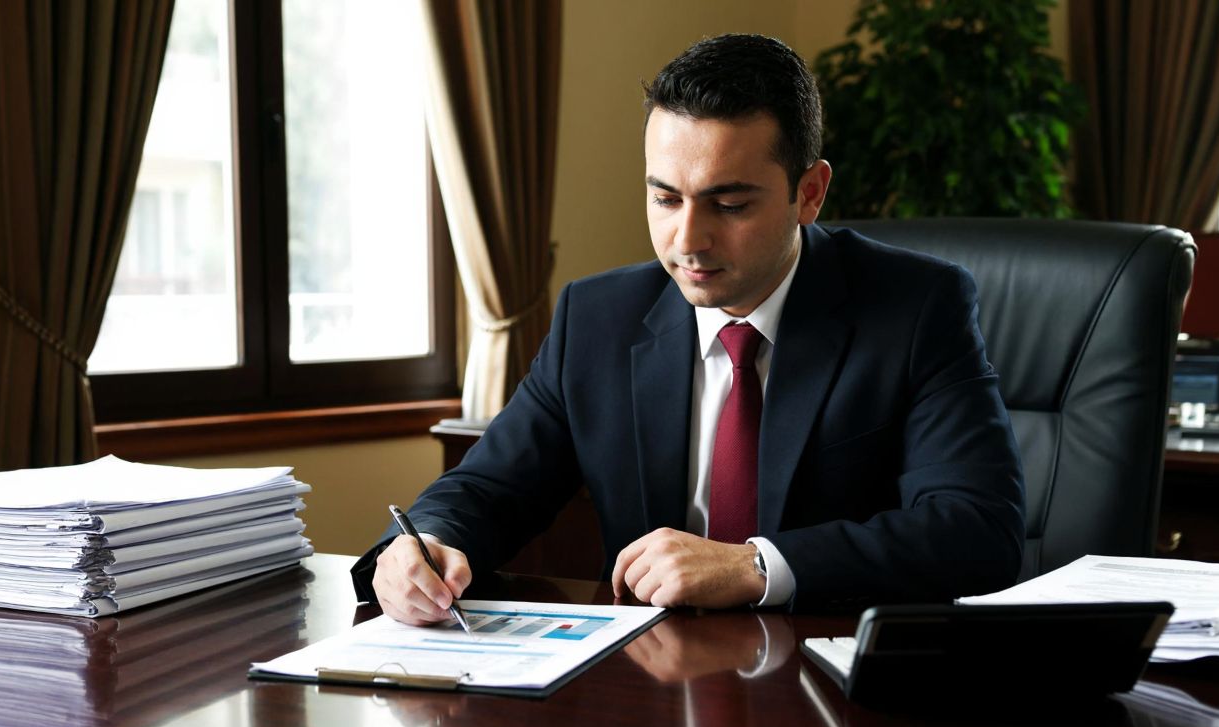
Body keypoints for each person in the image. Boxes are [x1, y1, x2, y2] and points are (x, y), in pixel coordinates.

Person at [353, 33, 1024, 624]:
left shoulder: (915, 308)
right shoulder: (598, 319)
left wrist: (756, 567)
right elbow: (491, 487)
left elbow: (977, 531)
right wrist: (428, 542)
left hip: (834, 693)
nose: (687, 239)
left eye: (729, 203)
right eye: (664, 198)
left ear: (810, 193)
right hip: (648, 691)